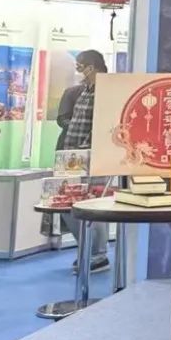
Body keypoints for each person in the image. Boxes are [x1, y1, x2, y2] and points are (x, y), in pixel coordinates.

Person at [58, 50, 110, 274]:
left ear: (92, 66)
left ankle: (98, 255)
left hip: (92, 156)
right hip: (71, 156)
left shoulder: (107, 90)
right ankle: (86, 249)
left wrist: (87, 147)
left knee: (94, 204)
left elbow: (104, 123)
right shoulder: (84, 90)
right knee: (67, 204)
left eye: (81, 66)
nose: (78, 70)